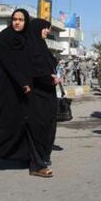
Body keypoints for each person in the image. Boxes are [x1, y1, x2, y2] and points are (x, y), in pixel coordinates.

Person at [0, 9, 53, 178]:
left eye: (21, 20)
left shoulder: (26, 38)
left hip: (24, 91)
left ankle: (36, 164)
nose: (17, 22)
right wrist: (23, 82)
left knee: (29, 126)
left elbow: (30, 62)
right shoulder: (4, 38)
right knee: (7, 127)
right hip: (9, 90)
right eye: (15, 19)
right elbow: (9, 64)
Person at [28, 18, 60, 167]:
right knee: (40, 125)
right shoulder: (31, 47)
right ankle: (38, 157)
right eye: (45, 28)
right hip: (38, 94)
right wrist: (49, 78)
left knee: (49, 124)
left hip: (48, 93)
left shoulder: (42, 46)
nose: (48, 31)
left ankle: (44, 154)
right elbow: (34, 70)